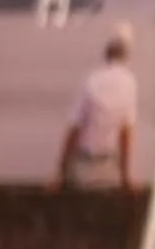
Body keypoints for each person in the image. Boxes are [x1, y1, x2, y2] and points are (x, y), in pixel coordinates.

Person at [55, 24, 142, 192]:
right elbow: (126, 133)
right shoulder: (130, 83)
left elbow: (74, 130)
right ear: (127, 55)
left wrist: (60, 173)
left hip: (83, 169)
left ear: (106, 53)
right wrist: (126, 177)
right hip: (110, 169)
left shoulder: (90, 80)